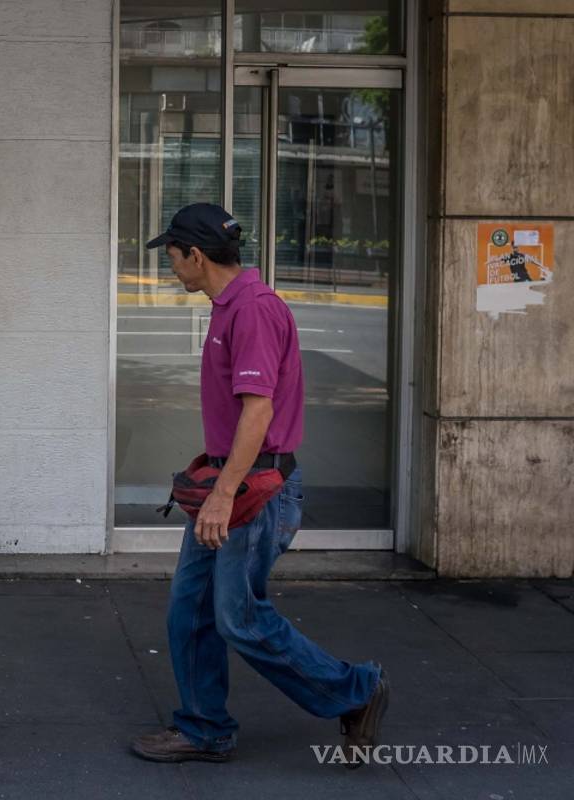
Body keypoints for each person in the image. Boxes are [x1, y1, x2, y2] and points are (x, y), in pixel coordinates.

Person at [128, 203, 390, 767]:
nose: (170, 266)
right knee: (190, 612)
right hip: (231, 480)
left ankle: (357, 690)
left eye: (172, 254)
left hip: (254, 490)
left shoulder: (252, 310)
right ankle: (204, 728)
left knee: (239, 618)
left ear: (196, 255)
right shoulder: (230, 305)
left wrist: (222, 495)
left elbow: (258, 410)